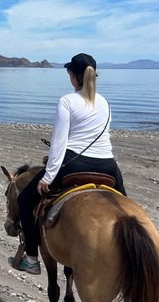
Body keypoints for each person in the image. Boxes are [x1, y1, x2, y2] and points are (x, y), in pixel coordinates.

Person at [10, 53, 127, 275]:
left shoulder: (67, 101)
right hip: (108, 166)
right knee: (126, 209)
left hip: (74, 164)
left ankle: (32, 259)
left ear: (73, 76)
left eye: (69, 73)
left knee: (25, 200)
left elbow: (60, 143)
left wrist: (48, 176)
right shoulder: (106, 103)